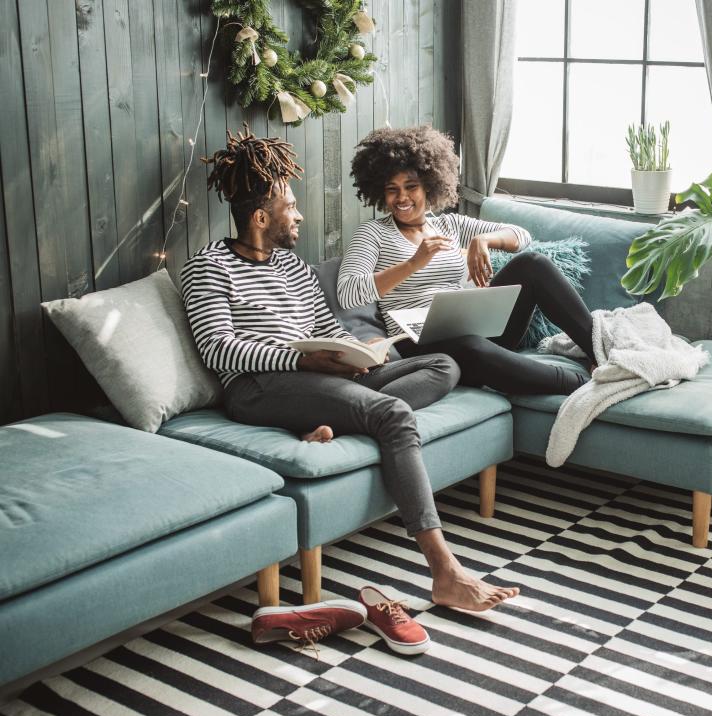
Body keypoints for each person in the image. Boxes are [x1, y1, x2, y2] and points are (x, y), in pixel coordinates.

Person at [180, 126, 519, 613]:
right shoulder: (209, 266)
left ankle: (339, 419)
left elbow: (324, 325)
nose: (298, 215)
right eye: (289, 207)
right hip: (261, 386)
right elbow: (219, 349)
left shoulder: (293, 268)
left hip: (321, 374)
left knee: (443, 365)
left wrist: (360, 349)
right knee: (393, 416)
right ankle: (446, 572)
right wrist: (300, 358)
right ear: (259, 217)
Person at [338, 125, 598, 396]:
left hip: (475, 330)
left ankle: (600, 355)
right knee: (470, 346)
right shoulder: (373, 233)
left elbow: (522, 236)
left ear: (429, 185)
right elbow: (348, 293)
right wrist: (413, 263)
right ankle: (583, 386)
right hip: (423, 344)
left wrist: (484, 240)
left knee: (533, 264)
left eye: (411, 187)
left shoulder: (450, 225)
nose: (401, 197)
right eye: (392, 189)